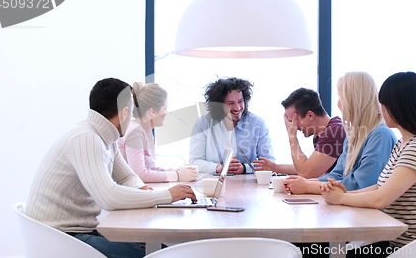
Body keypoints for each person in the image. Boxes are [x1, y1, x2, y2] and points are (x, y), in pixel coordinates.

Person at [25, 78, 196, 258]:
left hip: (74, 233)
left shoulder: (105, 138)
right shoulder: (86, 139)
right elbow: (109, 198)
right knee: (160, 254)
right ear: (124, 113)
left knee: (162, 250)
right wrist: (167, 195)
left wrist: (141, 189)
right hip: (60, 239)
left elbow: (127, 177)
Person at [321, 72, 416, 257]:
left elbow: (381, 199)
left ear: (399, 107)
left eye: (384, 104)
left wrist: (340, 198)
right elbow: (380, 186)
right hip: (398, 241)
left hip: (415, 246)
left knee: (325, 253)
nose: (381, 110)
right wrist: (344, 193)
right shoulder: (402, 143)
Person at [282, 72, 397, 194]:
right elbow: (337, 174)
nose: (338, 104)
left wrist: (307, 186)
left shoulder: (380, 135)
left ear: (354, 100)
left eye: (341, 97)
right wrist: (304, 183)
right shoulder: (352, 135)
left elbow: (361, 185)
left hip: (370, 212)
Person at [253, 88, 346, 178]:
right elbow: (311, 168)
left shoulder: (334, 131)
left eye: (294, 121)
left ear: (310, 115)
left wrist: (292, 136)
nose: (294, 127)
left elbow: (306, 173)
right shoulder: (322, 134)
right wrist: (276, 168)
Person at [189, 77, 274, 174]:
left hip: (248, 185)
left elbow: (269, 162)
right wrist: (219, 168)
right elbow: (194, 162)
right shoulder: (203, 123)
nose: (237, 108)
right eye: (230, 103)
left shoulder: (257, 123)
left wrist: (244, 168)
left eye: (240, 101)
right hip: (213, 183)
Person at [118, 82, 198, 183]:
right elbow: (140, 174)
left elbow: (150, 168)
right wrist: (177, 176)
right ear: (152, 112)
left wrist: (177, 171)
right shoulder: (134, 132)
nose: (166, 113)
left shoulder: (146, 131)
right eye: (165, 108)